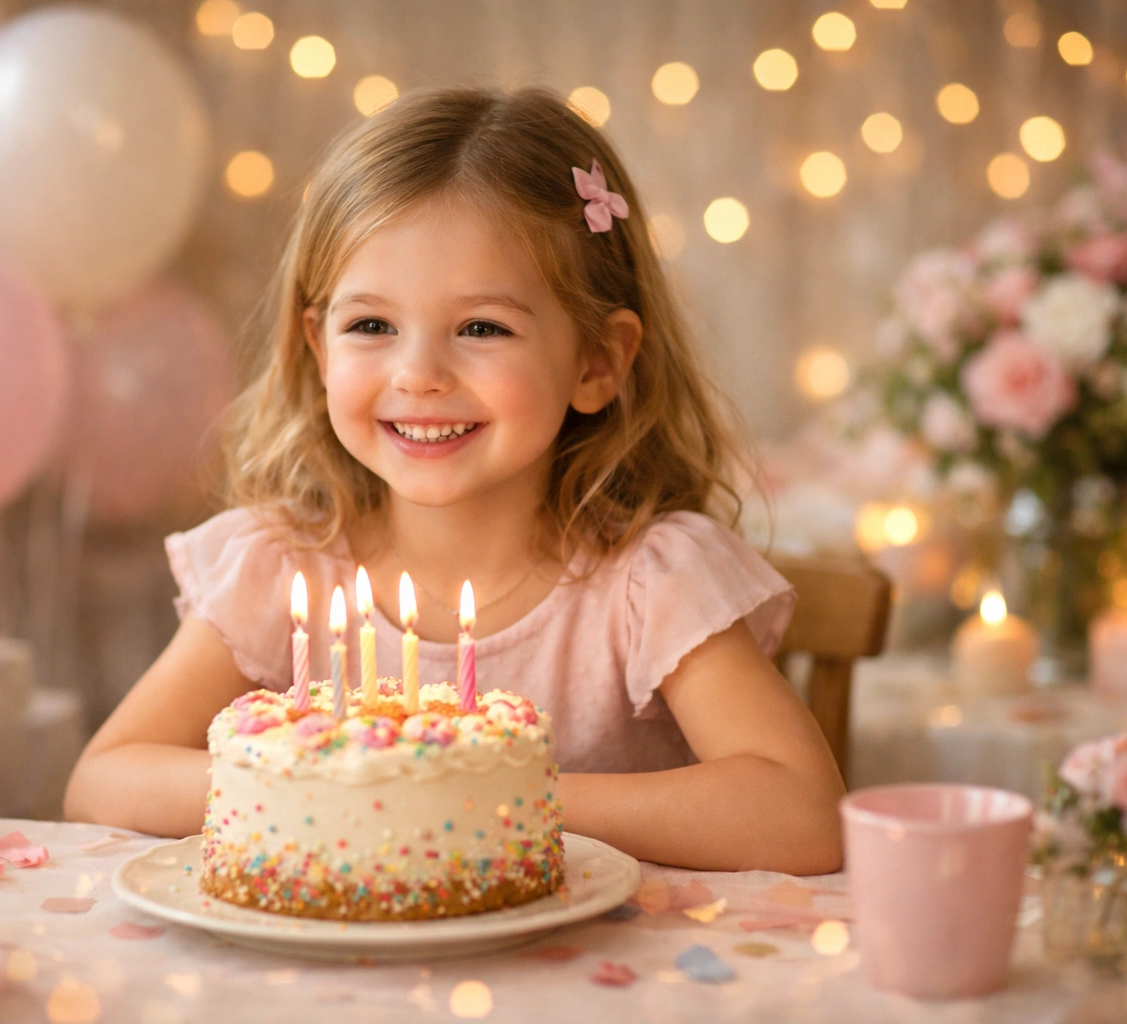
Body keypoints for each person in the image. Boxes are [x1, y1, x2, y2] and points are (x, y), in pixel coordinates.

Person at [65, 86, 844, 874]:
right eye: (371, 326)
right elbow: (104, 781)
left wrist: (481, 794)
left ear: (597, 361)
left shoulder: (651, 584)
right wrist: (333, 786)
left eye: (482, 328)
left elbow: (802, 816)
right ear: (318, 346)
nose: (419, 374)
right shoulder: (283, 567)